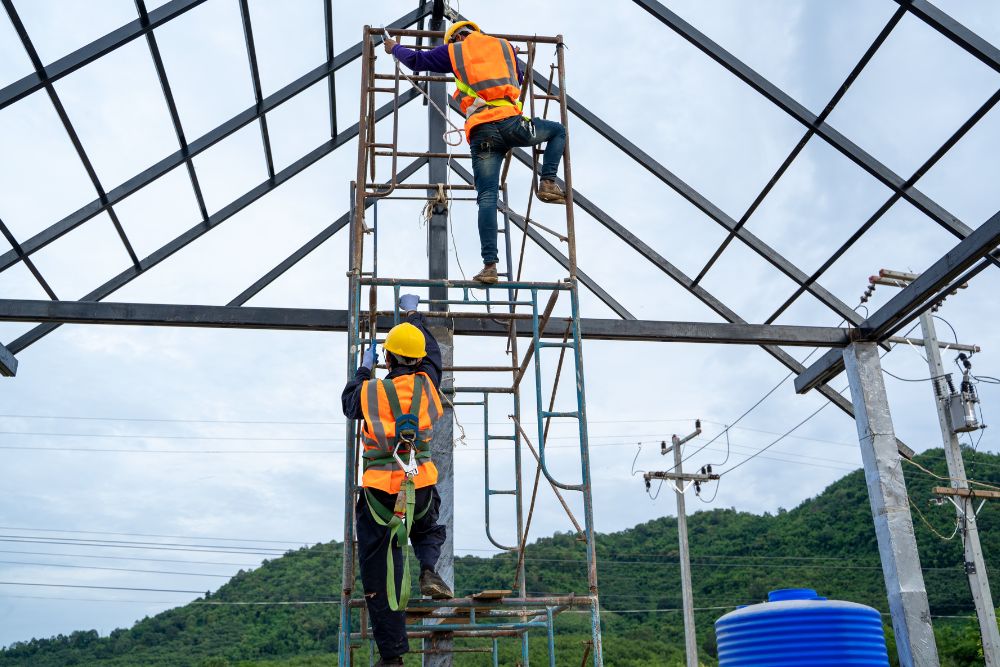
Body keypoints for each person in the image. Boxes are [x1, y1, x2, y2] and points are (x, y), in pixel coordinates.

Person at [384, 21, 568, 285]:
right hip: (512, 123)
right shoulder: (505, 48)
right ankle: (548, 182)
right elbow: (519, 77)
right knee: (557, 131)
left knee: (487, 198)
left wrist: (394, 47)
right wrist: (513, 55)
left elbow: (416, 61)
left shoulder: (456, 51)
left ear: (456, 37)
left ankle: (490, 266)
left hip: (483, 132)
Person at [341, 294, 453, 667]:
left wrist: (363, 369)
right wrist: (414, 316)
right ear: (419, 361)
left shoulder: (371, 392)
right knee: (427, 529)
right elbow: (433, 359)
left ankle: (392, 658)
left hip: (378, 495)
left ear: (387, 359)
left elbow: (348, 402)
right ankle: (427, 568)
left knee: (379, 569)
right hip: (419, 485)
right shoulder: (428, 388)